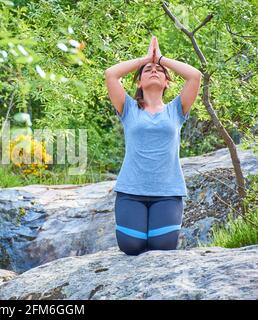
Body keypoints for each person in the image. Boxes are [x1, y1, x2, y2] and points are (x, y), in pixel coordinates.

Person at [104, 35, 202, 255]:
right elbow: (111, 74)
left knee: (162, 248)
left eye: (159, 71)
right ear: (139, 82)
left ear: (167, 82)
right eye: (147, 71)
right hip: (131, 192)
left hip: (168, 193)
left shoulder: (176, 110)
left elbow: (194, 76)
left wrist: (161, 59)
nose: (154, 71)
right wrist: (146, 59)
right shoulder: (128, 108)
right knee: (132, 246)